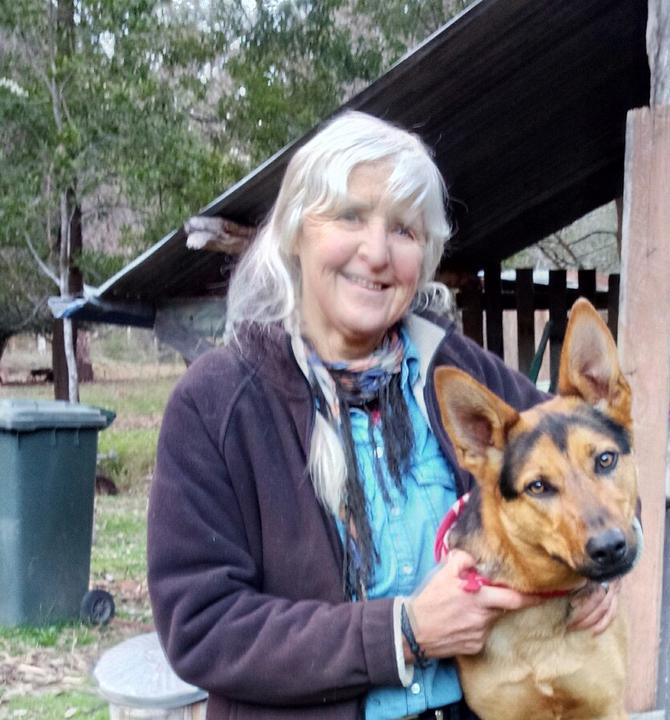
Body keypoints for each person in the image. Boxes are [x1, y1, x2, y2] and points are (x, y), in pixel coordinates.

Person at [147, 111, 620, 720]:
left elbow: (583, 471)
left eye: (403, 230)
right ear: (296, 233)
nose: (376, 253)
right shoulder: (219, 401)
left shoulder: (456, 371)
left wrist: (594, 573)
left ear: (424, 256)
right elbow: (202, 626)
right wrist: (404, 632)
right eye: (349, 216)